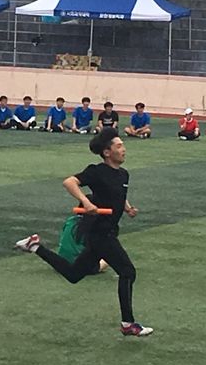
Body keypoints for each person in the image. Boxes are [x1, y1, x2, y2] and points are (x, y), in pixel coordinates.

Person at [15, 128, 152, 337]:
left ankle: (35, 246)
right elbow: (69, 182)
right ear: (107, 152)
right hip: (100, 233)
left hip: (108, 231)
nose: (123, 149)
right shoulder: (96, 172)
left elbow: (119, 194)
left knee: (73, 274)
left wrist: (128, 208)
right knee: (127, 272)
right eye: (119, 146)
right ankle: (128, 324)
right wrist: (86, 202)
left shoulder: (123, 174)